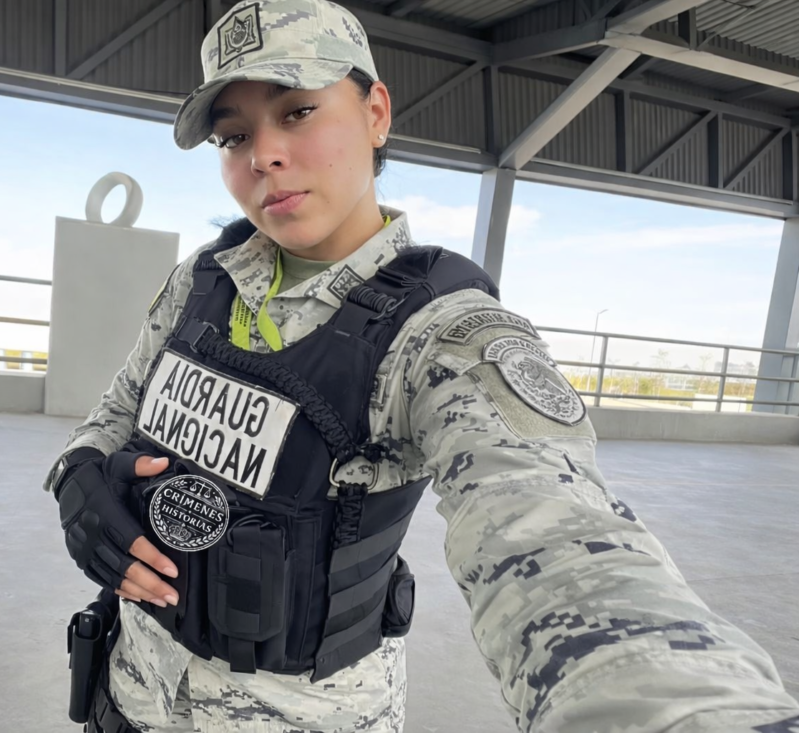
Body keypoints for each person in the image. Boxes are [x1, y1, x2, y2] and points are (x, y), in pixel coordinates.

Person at [46, 1, 799, 731]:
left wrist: (669, 704)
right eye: (232, 135)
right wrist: (80, 473)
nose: (262, 155)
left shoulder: (442, 334)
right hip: (131, 690)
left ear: (375, 112)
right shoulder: (200, 281)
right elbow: (117, 409)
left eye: (298, 111)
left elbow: (554, 536)